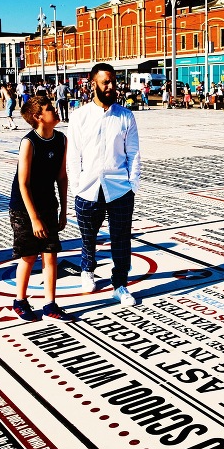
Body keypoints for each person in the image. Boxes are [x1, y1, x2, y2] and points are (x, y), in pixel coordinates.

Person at [67, 63, 141, 306]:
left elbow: (134, 153)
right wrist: (77, 186)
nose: (110, 87)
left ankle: (120, 284)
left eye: (112, 82)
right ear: (93, 84)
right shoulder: (80, 116)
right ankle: (87, 270)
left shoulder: (125, 116)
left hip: (119, 188)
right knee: (88, 236)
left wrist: (132, 185)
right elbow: (73, 155)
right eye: (105, 82)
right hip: (88, 188)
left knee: (121, 238)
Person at [9, 94, 71, 322]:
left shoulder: (61, 139)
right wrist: (34, 219)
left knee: (50, 255)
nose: (55, 111)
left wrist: (64, 209)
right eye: (49, 109)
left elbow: (62, 177)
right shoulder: (29, 142)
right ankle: (20, 300)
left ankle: (50, 304)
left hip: (48, 205)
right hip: (24, 208)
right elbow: (23, 183)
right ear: (38, 117)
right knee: (28, 256)